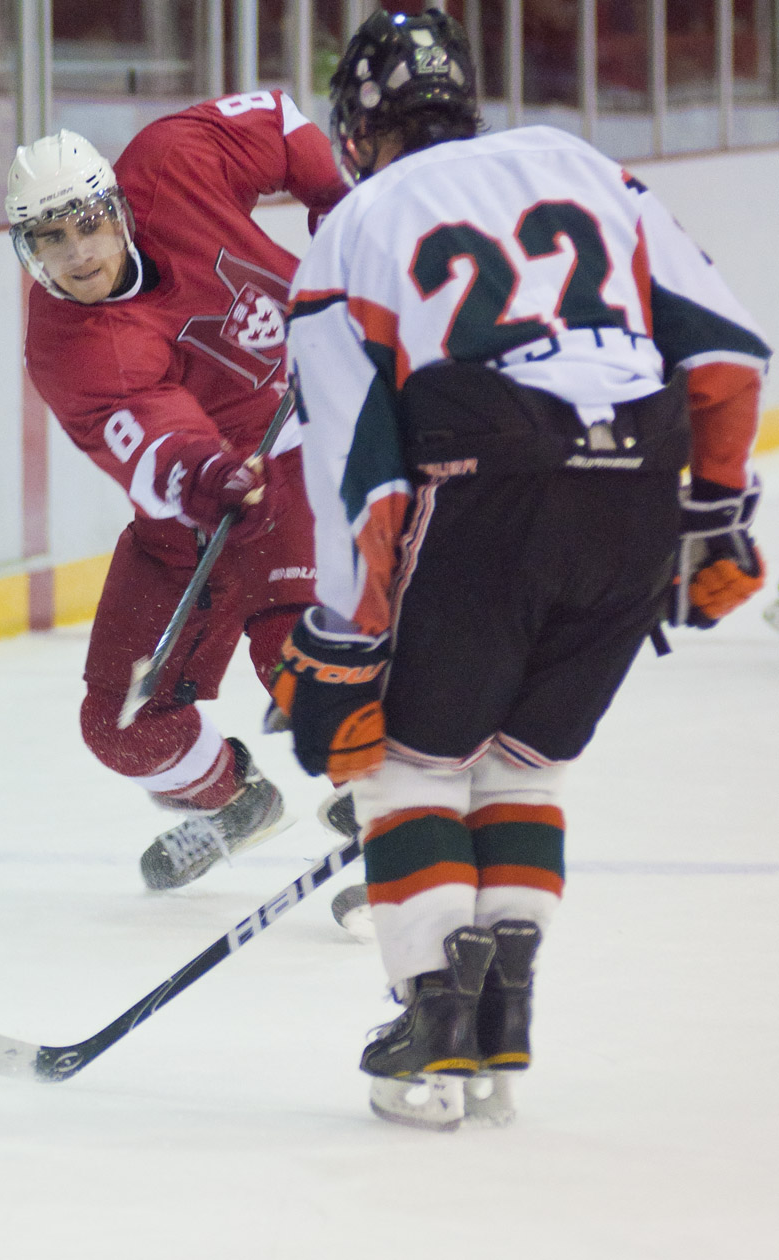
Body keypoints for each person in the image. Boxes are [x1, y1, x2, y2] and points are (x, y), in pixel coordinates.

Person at [269, 8, 768, 1130]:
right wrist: (715, 516)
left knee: (409, 767)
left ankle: (435, 1023)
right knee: (522, 763)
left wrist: (345, 649)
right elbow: (729, 349)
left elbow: (364, 474)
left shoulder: (351, 229)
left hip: (489, 480)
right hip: (639, 479)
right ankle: (501, 1013)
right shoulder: (578, 161)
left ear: (359, 124)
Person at [5, 90, 348, 890]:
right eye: (50, 240)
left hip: (301, 457)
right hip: (192, 514)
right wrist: (208, 472)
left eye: (86, 222)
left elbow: (278, 120)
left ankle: (391, 807)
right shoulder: (67, 342)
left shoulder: (173, 161)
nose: (78, 255)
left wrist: (337, 201)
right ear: (30, 252)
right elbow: (152, 432)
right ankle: (241, 800)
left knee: (297, 658)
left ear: (116, 206)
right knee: (120, 725)